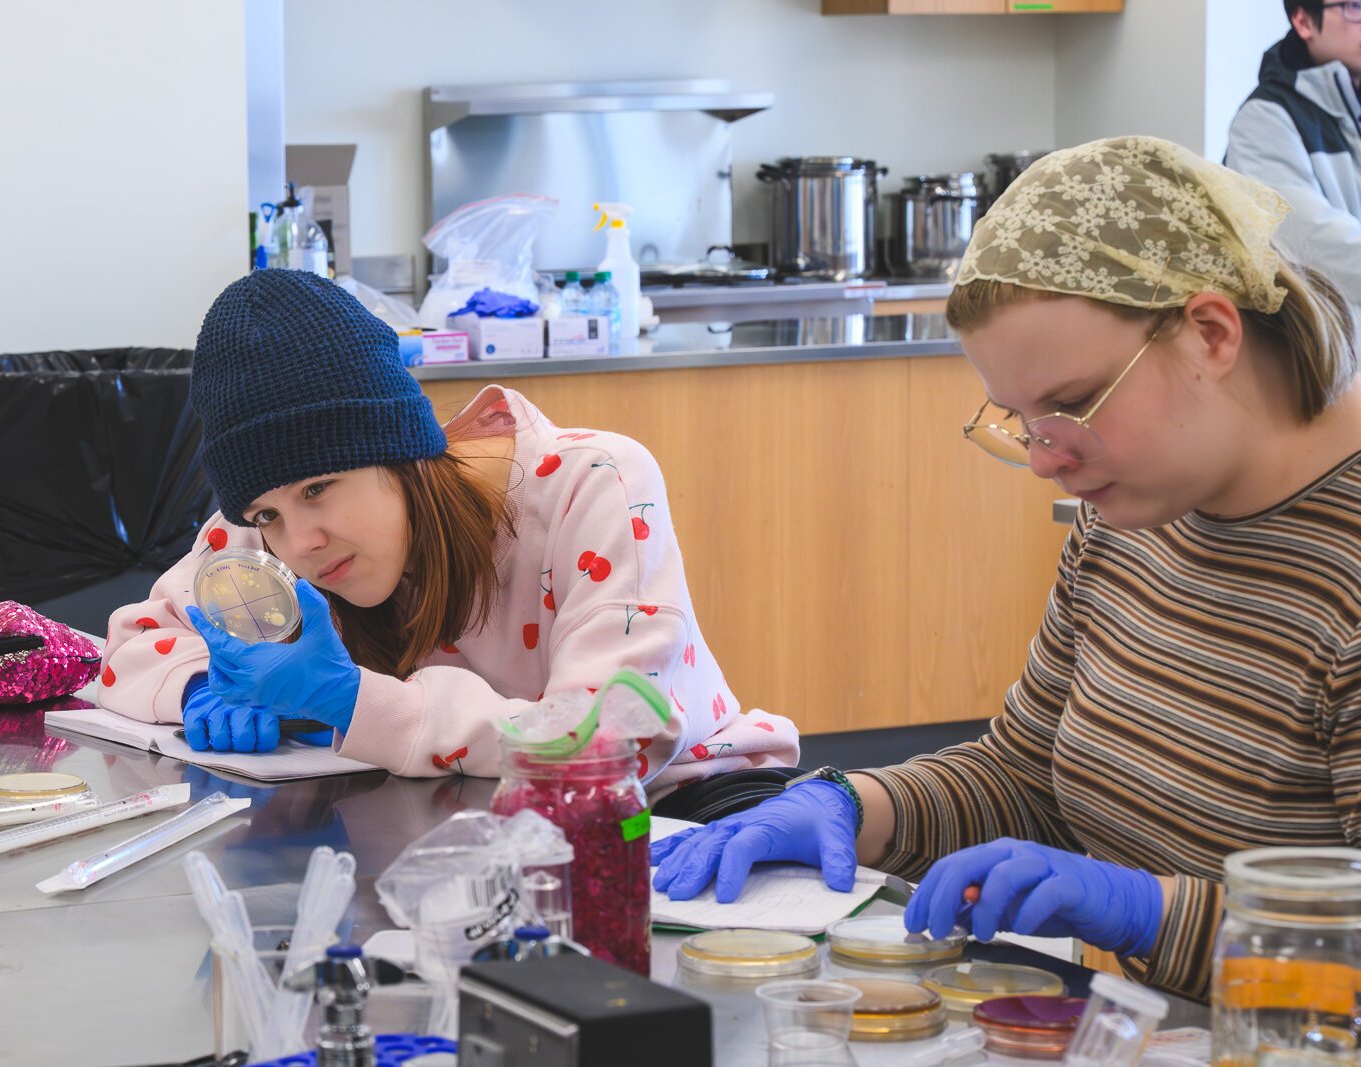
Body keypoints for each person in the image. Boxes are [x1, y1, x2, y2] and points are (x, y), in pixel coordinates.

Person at [651, 136, 1361, 1002]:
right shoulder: (1130, 521)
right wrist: (854, 804)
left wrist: (1151, 912)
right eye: (1022, 419)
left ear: (1211, 332)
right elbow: (1027, 775)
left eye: (1071, 405)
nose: (1045, 459)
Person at [97, 269, 799, 810]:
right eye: (267, 513)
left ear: (400, 451)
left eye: (318, 490)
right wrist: (196, 685)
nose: (300, 543)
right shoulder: (265, 532)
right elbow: (127, 645)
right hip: (470, 817)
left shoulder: (592, 484)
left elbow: (608, 740)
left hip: (687, 808)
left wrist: (352, 701)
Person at [1224, 1, 1361, 303]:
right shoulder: (1264, 119)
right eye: (1355, 6)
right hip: (1321, 342)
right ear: (1303, 21)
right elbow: (1305, 241)